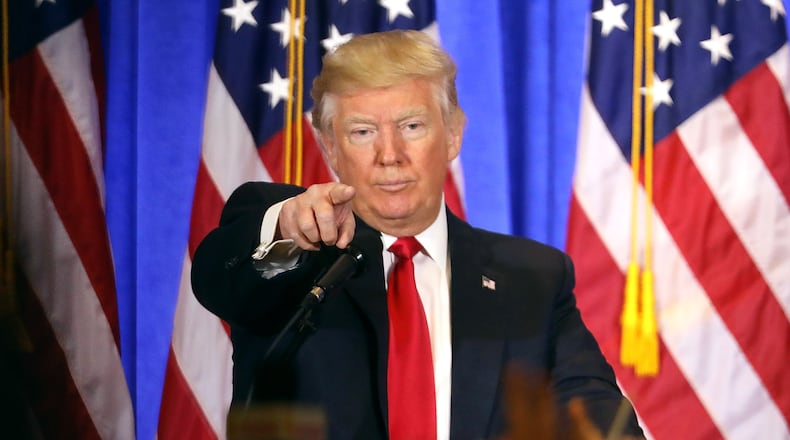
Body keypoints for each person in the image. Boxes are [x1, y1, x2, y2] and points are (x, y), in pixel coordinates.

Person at [192, 29, 643, 440]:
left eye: (412, 126)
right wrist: (288, 231)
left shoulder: (532, 279)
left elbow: (602, 424)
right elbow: (219, 280)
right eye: (363, 131)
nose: (390, 154)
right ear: (330, 146)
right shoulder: (291, 249)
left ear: (453, 135)